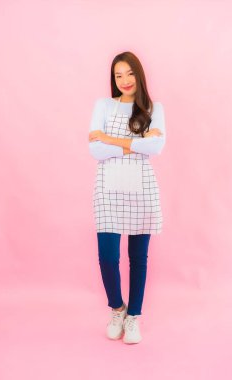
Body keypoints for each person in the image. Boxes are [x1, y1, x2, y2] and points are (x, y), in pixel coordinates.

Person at [88, 51, 166, 344]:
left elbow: (156, 147)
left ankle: (134, 316)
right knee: (107, 257)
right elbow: (95, 150)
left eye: (130, 73)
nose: (124, 80)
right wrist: (138, 144)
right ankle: (117, 308)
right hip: (107, 188)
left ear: (139, 74)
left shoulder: (153, 108)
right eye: (118, 75)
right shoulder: (104, 106)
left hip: (141, 188)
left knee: (138, 258)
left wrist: (110, 139)